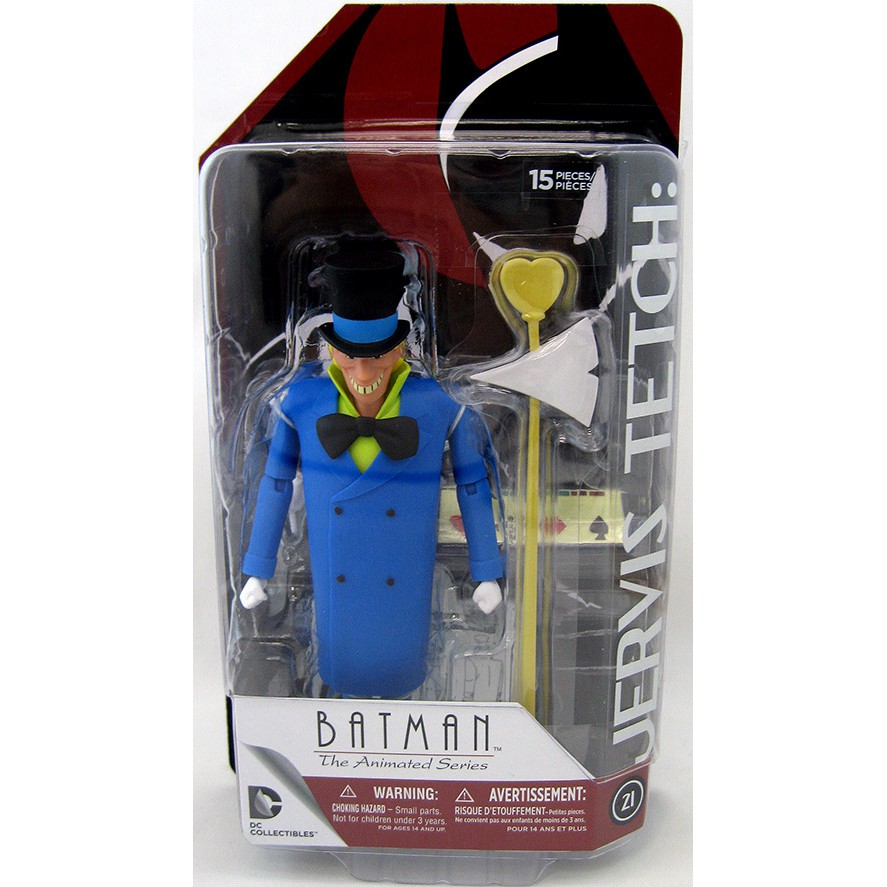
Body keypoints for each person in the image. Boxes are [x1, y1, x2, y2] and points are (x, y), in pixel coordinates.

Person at [240, 239, 503, 698]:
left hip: (406, 574)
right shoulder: (299, 403)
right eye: (350, 356)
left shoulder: (440, 404)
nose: (363, 373)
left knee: (401, 663)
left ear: (400, 350)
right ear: (331, 351)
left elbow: (474, 485)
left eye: (377, 355)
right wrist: (258, 568)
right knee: (343, 664)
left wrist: (486, 569)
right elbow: (276, 483)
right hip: (337, 580)